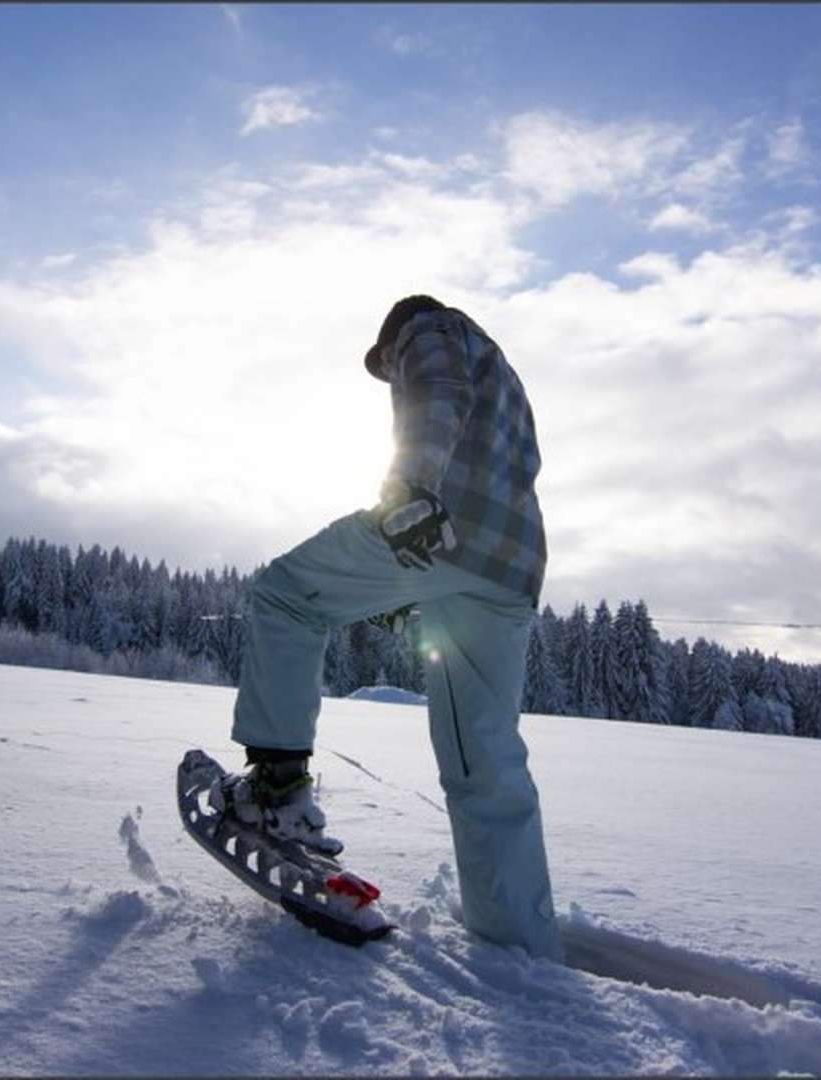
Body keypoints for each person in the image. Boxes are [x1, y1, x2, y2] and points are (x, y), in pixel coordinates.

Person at [211, 294, 561, 960]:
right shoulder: (505, 375)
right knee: (482, 762)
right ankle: (520, 944)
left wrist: (409, 490)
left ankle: (275, 792)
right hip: (509, 571)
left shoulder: (430, 330)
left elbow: (434, 392)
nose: (391, 374)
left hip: (442, 530)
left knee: (286, 594)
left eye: (387, 365)